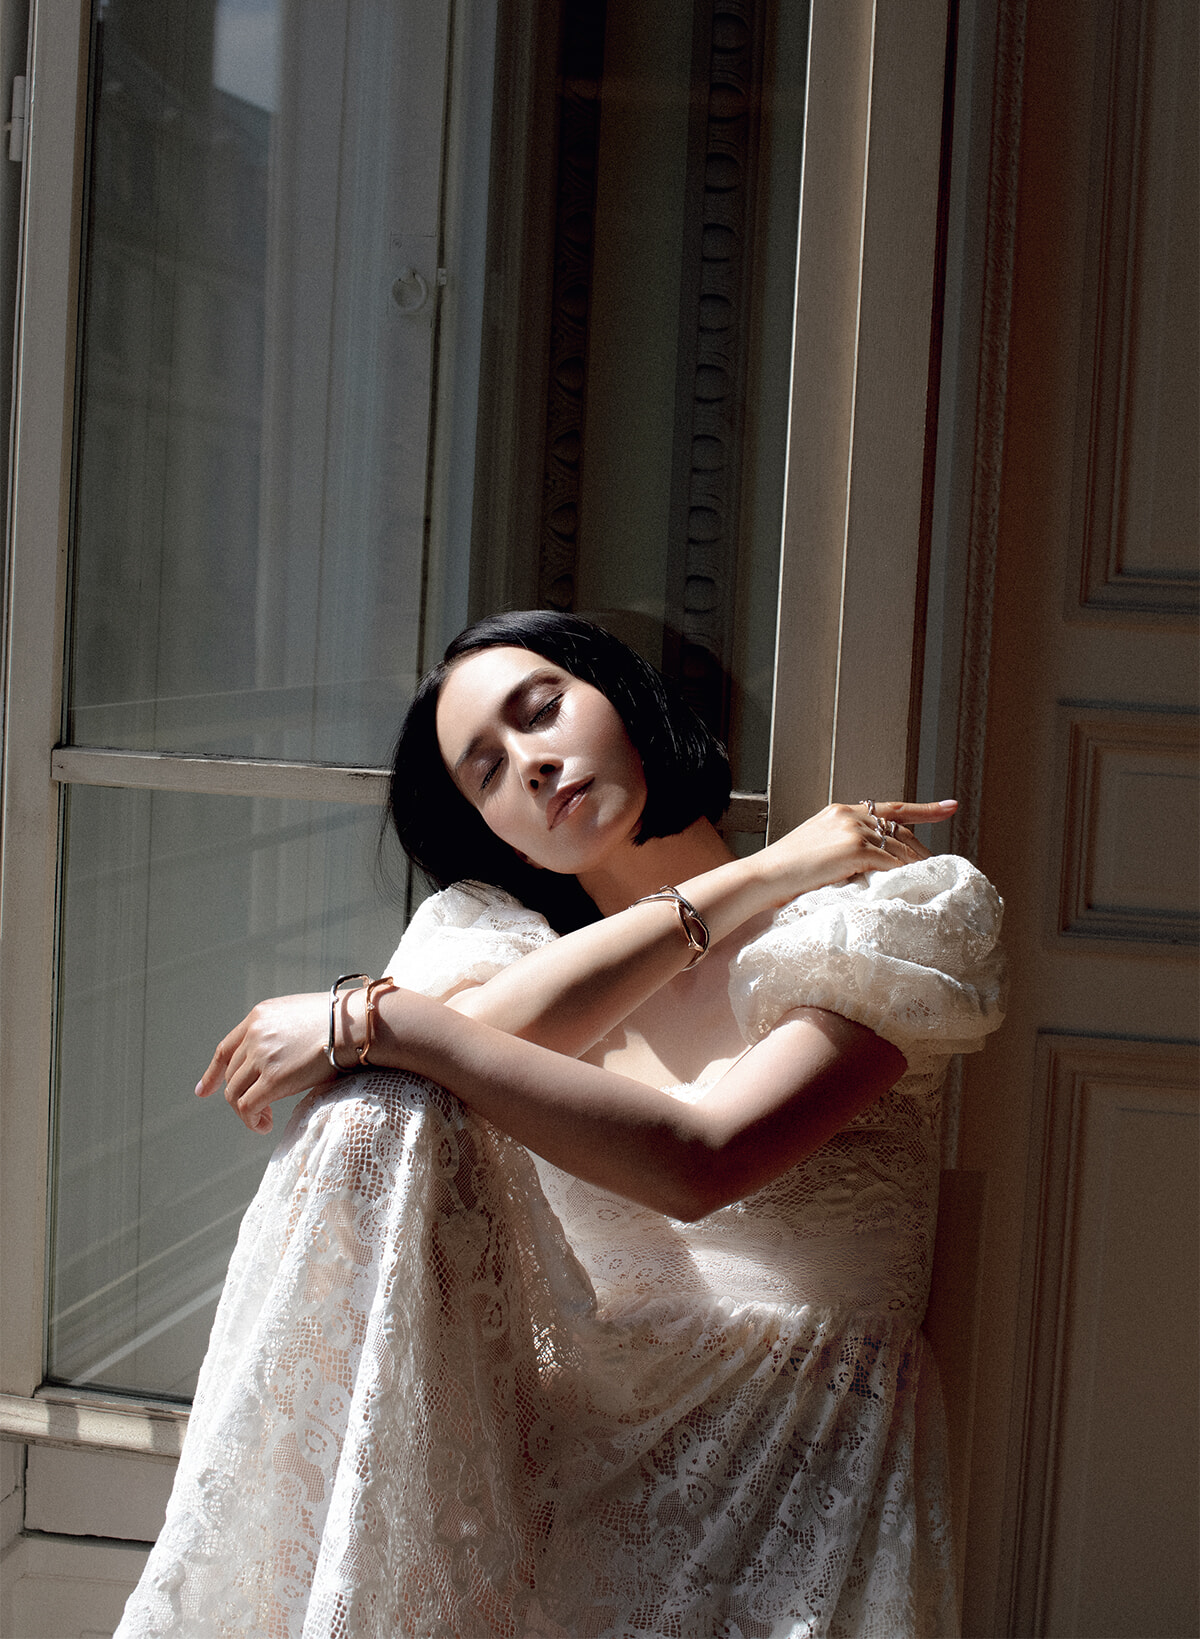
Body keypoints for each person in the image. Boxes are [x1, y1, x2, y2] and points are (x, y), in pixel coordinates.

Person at [115, 610, 1004, 1639]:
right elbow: (436, 1057)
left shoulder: (876, 919)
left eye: (541, 711)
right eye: (487, 772)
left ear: (622, 695)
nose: (531, 766)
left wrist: (374, 1018)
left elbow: (703, 1163)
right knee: (376, 1110)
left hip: (797, 1486)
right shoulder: (498, 956)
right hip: (560, 1505)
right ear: (492, 829)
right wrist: (758, 871)